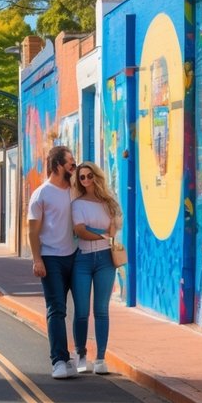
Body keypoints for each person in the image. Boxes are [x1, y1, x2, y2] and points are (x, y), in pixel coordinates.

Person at [27, 145, 79, 379]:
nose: (74, 166)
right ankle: (58, 360)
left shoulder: (76, 190)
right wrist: (37, 259)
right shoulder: (41, 194)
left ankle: (76, 357)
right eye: (70, 162)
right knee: (56, 308)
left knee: (81, 309)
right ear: (58, 165)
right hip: (51, 258)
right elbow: (32, 232)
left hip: (76, 257)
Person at [69, 161, 121, 375]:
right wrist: (101, 233)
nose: (86, 180)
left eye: (90, 176)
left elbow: (115, 228)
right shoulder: (77, 204)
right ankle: (81, 355)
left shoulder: (110, 203)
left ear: (96, 177)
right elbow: (80, 231)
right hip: (82, 260)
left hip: (105, 260)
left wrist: (97, 231)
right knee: (81, 312)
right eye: (82, 177)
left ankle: (100, 358)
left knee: (101, 311)